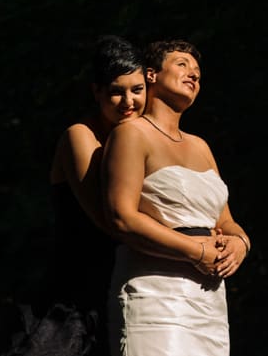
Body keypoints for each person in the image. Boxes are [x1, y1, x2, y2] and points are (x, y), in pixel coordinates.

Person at [103, 39, 251, 356]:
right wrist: (195, 251)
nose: (193, 75)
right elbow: (122, 217)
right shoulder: (132, 133)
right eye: (182, 64)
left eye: (197, 71)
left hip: (207, 300)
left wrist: (241, 243)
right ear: (151, 75)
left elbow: (225, 220)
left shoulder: (201, 146)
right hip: (156, 293)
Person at [3, 34, 147, 356]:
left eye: (137, 90)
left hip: (122, 282)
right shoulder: (79, 136)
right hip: (73, 292)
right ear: (96, 92)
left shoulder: (141, 139)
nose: (128, 102)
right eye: (115, 92)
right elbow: (107, 219)